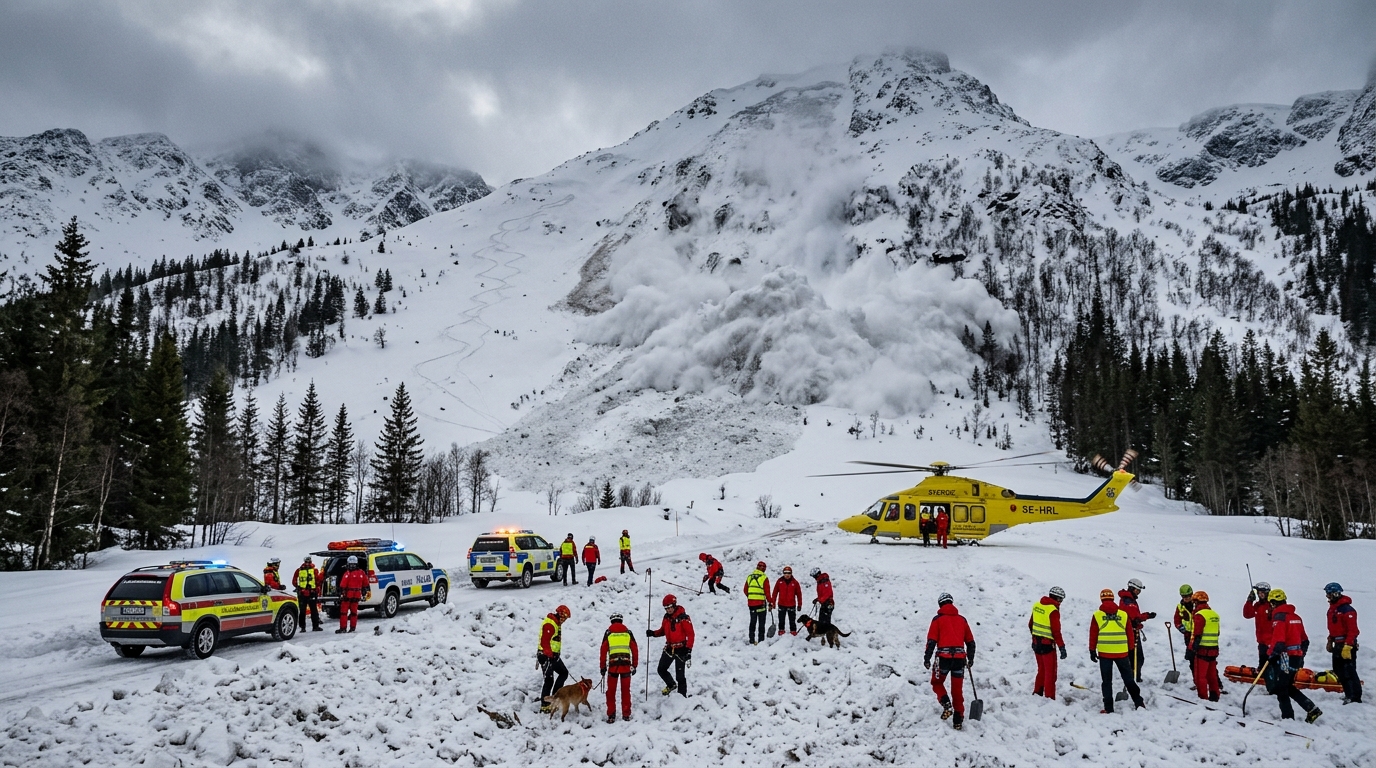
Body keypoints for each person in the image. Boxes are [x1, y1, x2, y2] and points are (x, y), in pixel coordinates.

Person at [1266, 589, 1321, 722]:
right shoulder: (1296, 617)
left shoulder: (1279, 617)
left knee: (1281, 688)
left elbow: (1278, 641)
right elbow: (1305, 640)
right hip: (1296, 657)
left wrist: (1272, 655)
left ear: (1273, 603)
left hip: (1285, 657)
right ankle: (1312, 709)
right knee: (1288, 685)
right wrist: (1300, 656)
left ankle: (1288, 719)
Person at [923, 593, 976, 730]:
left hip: (943, 659)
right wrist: (970, 658)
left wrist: (927, 658)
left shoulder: (937, 619)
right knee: (957, 691)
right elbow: (970, 642)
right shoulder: (962, 620)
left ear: (940, 604)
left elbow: (931, 641)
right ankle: (958, 720)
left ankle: (946, 703)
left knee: (936, 682)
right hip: (959, 659)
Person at [1090, 587, 1144, 713]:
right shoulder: (1123, 615)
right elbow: (1129, 633)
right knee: (1128, 679)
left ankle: (1109, 708)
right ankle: (1139, 702)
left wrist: (1092, 650)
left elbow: (1093, 634)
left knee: (1107, 682)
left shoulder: (1097, 615)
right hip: (1122, 652)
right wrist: (1130, 649)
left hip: (1105, 653)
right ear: (1113, 599)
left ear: (1101, 599)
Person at [647, 594, 694, 697]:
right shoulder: (666, 618)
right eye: (666, 608)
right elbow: (663, 631)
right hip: (669, 648)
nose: (668, 610)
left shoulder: (683, 618)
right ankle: (671, 684)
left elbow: (691, 635)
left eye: (669, 607)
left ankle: (682, 697)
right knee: (661, 669)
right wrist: (653, 633)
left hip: (681, 649)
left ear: (674, 604)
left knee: (680, 676)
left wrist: (689, 650)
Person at [1323, 582, 1361, 704]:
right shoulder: (1333, 610)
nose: (1328, 597)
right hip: (1337, 643)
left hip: (1347, 644)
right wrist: (1330, 640)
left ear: (1336, 593)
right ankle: (1348, 693)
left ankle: (1355, 696)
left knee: (1349, 670)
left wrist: (1348, 645)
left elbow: (1353, 630)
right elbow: (1334, 628)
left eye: (1329, 595)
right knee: (1338, 670)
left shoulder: (1347, 610)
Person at [1028, 586, 1067, 699]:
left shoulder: (1037, 606)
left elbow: (1030, 624)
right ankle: (1049, 697)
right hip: (1047, 646)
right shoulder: (1053, 611)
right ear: (1056, 598)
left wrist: (1036, 637)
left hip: (1036, 644)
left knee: (1041, 670)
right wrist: (1062, 647)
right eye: (1060, 599)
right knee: (1050, 673)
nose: (1061, 602)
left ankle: (1037, 692)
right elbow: (1056, 632)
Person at [600, 613, 639, 722]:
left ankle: (611, 715)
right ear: (621, 621)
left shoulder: (608, 633)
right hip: (626, 667)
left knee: (611, 692)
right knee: (625, 691)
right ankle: (626, 715)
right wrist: (634, 665)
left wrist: (602, 667)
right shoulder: (628, 633)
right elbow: (635, 649)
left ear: (611, 621)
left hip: (613, 667)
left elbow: (603, 651)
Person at [1117, 578, 1156, 682]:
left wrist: (1146, 616)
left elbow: (1135, 617)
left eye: (1139, 591)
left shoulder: (1129, 600)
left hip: (1132, 631)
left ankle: (1135, 677)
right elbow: (1135, 617)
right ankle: (1133, 678)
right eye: (1137, 590)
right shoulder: (1128, 601)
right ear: (1131, 588)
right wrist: (1146, 616)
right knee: (1136, 658)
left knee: (1136, 658)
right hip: (1130, 632)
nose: (1138, 592)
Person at [1186, 591, 1221, 701]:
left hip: (1202, 650)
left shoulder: (1199, 615)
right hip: (1214, 649)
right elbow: (1218, 632)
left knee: (1200, 676)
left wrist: (1191, 649)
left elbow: (1196, 634)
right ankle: (1215, 695)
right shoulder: (1214, 614)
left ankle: (1203, 698)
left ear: (1196, 602)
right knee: (1212, 675)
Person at [538, 605, 572, 713]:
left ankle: (555, 697)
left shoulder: (556, 623)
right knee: (549, 680)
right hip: (546, 656)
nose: (565, 621)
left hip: (553, 656)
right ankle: (545, 705)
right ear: (561, 615)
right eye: (565, 618)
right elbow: (544, 641)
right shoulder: (550, 624)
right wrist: (549, 654)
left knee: (563, 673)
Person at [1243, 581, 1273, 669]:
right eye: (1259, 593)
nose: (1261, 595)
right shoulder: (1257, 605)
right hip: (1261, 641)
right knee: (1262, 662)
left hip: (1272, 641)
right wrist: (1249, 601)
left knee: (1271, 663)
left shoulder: (1271, 606)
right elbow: (1247, 614)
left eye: (1262, 593)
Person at [336, 555, 369, 634]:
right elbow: (366, 584)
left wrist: (340, 592)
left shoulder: (347, 573)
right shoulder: (361, 573)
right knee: (354, 613)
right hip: (356, 595)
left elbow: (343, 584)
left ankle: (343, 628)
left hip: (347, 596)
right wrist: (364, 592)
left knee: (344, 613)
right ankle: (352, 628)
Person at [744, 561, 772, 645]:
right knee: (761, 622)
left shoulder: (749, 577)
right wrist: (770, 602)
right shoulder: (764, 578)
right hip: (761, 604)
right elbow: (767, 593)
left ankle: (752, 640)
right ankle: (761, 640)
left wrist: (751, 597)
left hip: (751, 604)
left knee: (752, 622)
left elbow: (745, 590)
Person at [293, 555, 323, 632]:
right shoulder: (300, 570)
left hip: (310, 592)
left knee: (312, 610)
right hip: (304, 593)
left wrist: (317, 588)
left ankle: (313, 627)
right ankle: (305, 627)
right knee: (305, 611)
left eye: (308, 562)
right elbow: (294, 581)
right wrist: (299, 588)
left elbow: (317, 580)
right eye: (307, 562)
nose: (307, 563)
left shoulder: (312, 570)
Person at [772, 566, 803, 636]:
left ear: (791, 573)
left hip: (791, 604)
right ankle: (781, 630)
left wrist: (799, 604)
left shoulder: (795, 583)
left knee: (792, 620)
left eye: (789, 573)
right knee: (781, 619)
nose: (787, 575)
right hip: (781, 604)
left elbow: (799, 594)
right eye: (785, 573)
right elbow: (774, 593)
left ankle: (793, 630)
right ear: (783, 573)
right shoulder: (779, 581)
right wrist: (773, 603)